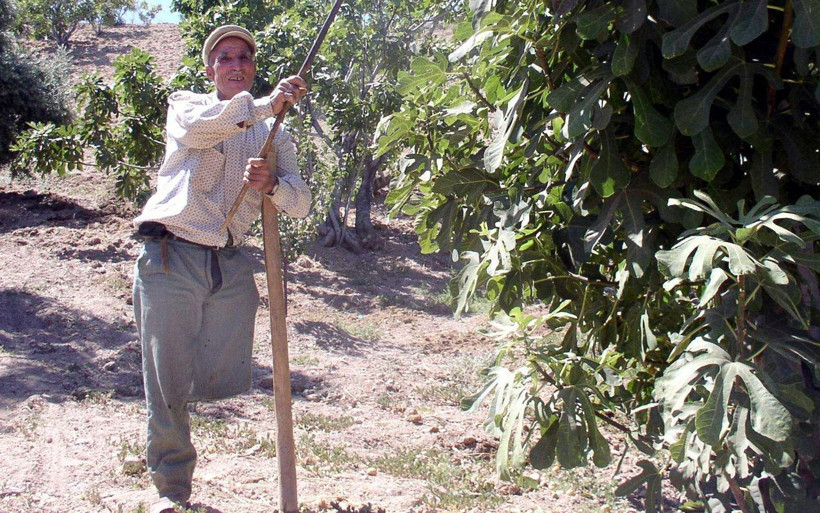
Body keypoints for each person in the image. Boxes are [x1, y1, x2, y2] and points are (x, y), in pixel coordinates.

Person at [131, 24, 311, 513]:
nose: (236, 65)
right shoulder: (187, 106)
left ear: (253, 67)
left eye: (244, 57)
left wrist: (272, 184)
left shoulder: (277, 132)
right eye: (225, 58)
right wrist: (266, 106)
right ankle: (171, 491)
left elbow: (300, 202)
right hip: (172, 254)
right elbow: (200, 130)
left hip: (228, 264)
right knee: (166, 380)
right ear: (212, 69)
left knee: (210, 377)